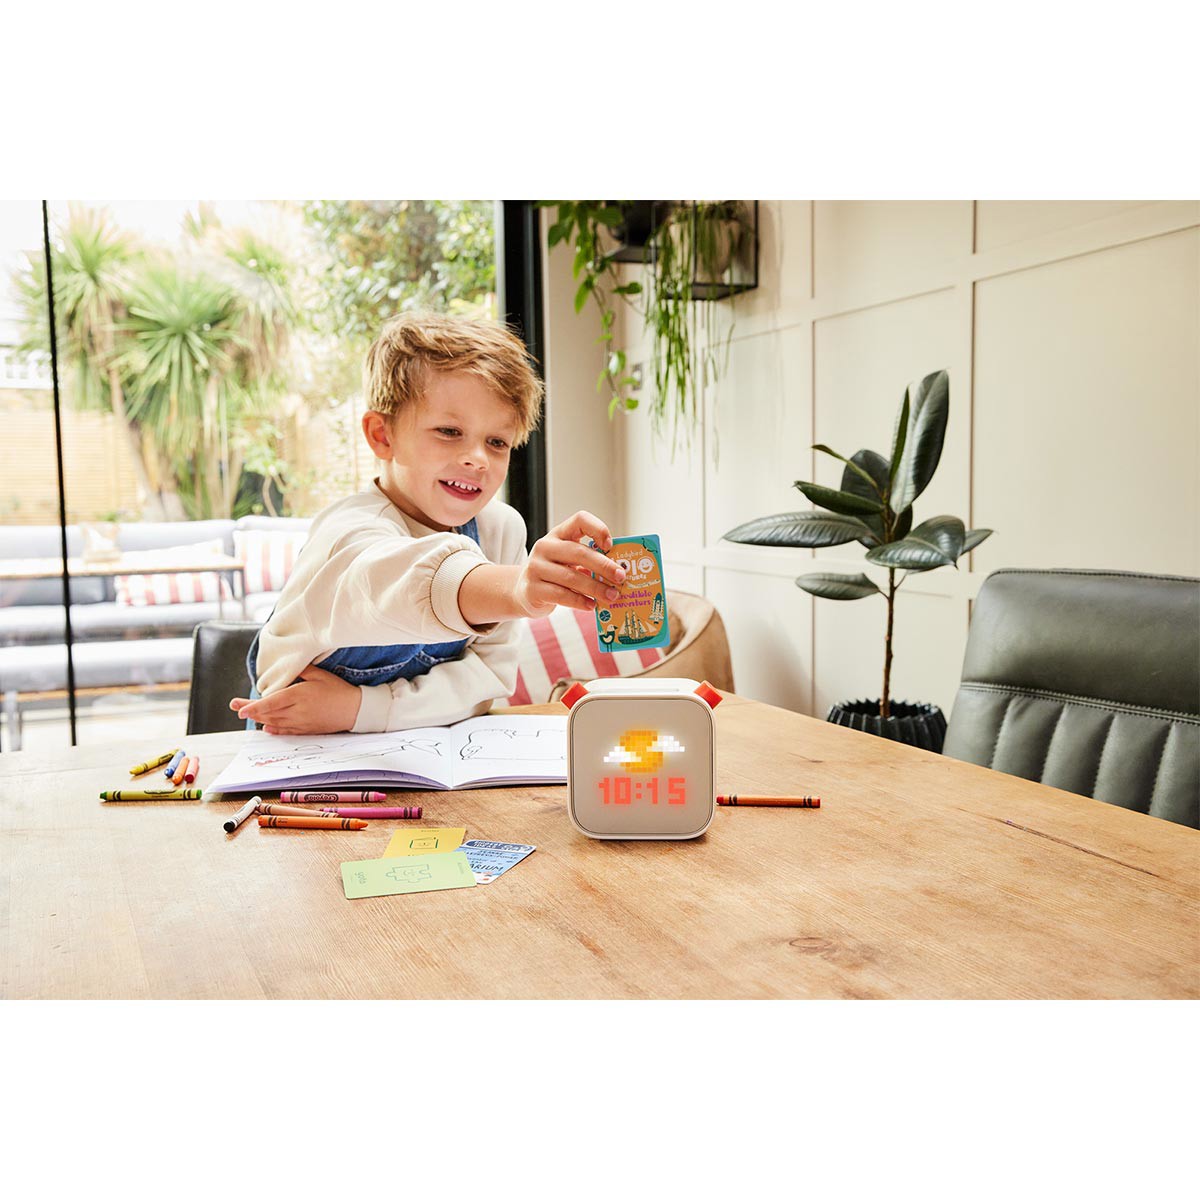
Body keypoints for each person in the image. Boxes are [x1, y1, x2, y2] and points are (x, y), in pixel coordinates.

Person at [229, 311, 626, 735]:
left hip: (421, 754)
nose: (478, 459)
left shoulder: (500, 530)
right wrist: (516, 588)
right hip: (298, 755)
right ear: (382, 435)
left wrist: (361, 708)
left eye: (497, 442)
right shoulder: (346, 533)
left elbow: (487, 679)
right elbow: (393, 581)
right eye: (449, 431)